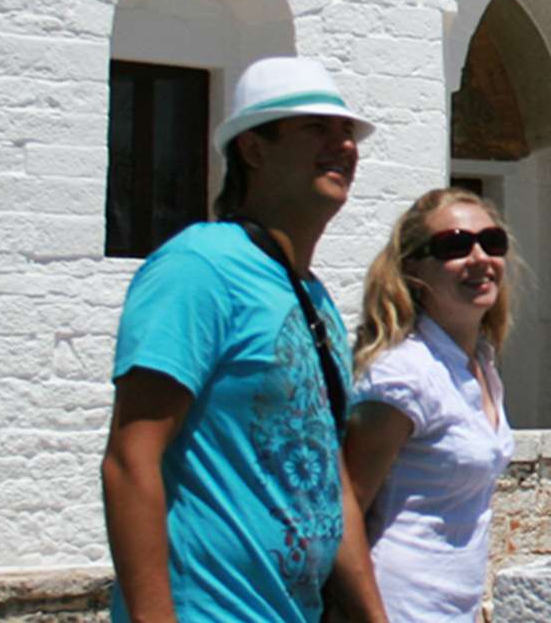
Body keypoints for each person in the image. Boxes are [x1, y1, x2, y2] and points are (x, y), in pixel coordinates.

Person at [101, 57, 389, 623]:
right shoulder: (198, 267)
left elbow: (328, 480)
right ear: (253, 149)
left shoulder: (315, 299)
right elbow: (130, 459)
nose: (344, 146)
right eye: (316, 129)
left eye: (347, 133)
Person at [345, 188, 519, 623]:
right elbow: (343, 512)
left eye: (491, 243)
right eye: (455, 246)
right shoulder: (403, 376)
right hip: (396, 607)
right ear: (413, 269)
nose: (479, 258)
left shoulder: (479, 365)